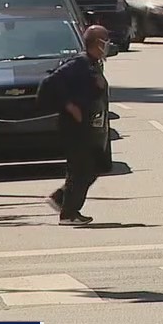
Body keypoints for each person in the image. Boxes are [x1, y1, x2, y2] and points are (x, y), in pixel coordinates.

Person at [44, 26, 110, 225]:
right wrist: (69, 105)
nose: (108, 44)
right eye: (105, 40)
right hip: (74, 127)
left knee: (95, 166)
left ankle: (61, 199)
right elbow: (51, 82)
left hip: (89, 127)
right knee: (81, 169)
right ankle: (68, 214)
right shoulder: (79, 63)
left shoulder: (92, 64)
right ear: (96, 42)